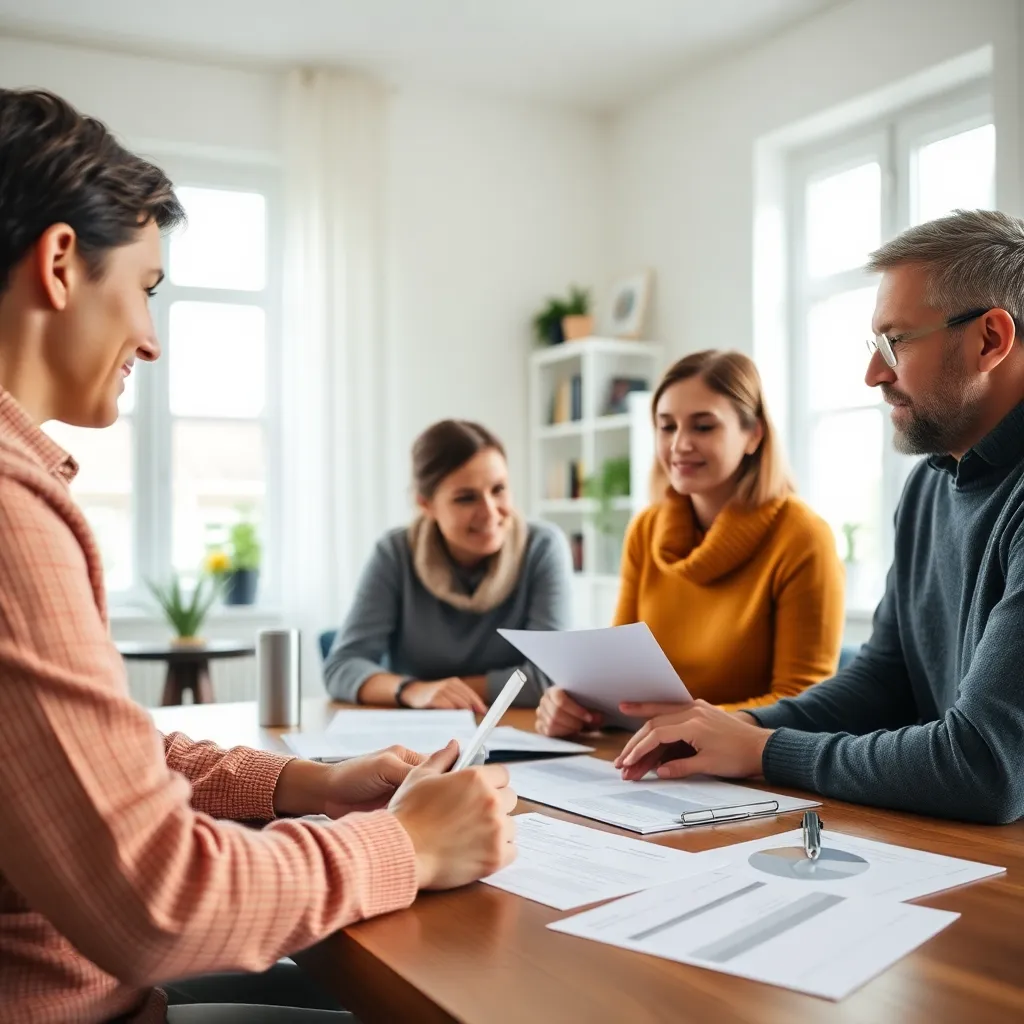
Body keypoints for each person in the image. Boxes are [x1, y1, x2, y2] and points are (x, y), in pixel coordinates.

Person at [0, 87, 517, 1024]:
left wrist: (306, 784)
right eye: (148, 289)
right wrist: (408, 847)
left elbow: (90, 763)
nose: (151, 341)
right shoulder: (8, 513)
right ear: (63, 262)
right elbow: (157, 900)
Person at [614, 209, 1024, 826]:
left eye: (895, 343)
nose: (873, 374)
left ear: (990, 339)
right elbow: (886, 680)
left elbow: (987, 766)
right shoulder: (928, 488)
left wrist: (764, 749)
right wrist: (737, 726)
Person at [536, 349, 845, 737]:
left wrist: (684, 725)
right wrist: (575, 706)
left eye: (703, 427)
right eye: (667, 427)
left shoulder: (802, 536)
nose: (679, 445)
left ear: (753, 435)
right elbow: (618, 677)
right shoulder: (646, 529)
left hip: (754, 772)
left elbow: (803, 702)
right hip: (648, 756)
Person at [324, 419, 572, 711]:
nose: (490, 512)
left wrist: (444, 691)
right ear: (426, 504)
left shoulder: (541, 547)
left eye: (499, 489)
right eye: (466, 498)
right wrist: (412, 690)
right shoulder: (395, 553)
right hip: (417, 738)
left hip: (517, 731)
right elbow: (341, 668)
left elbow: (548, 678)